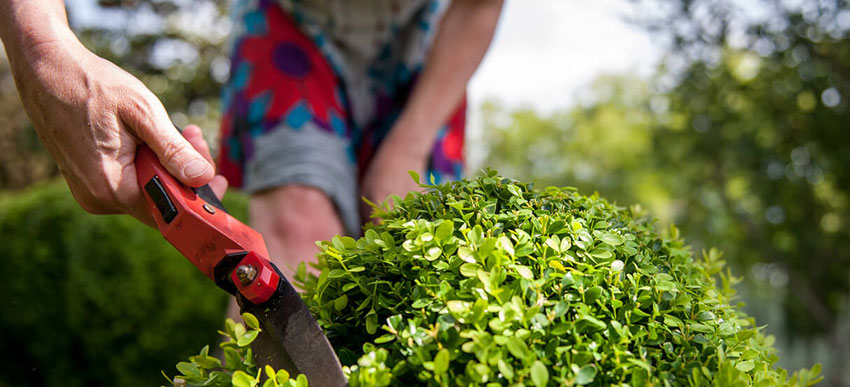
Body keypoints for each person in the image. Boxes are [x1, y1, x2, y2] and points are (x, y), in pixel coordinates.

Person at [0, 0, 502, 283]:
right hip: (289, 25)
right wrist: (43, 48)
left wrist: (409, 145)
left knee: (410, 252)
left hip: (432, 40)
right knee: (295, 231)